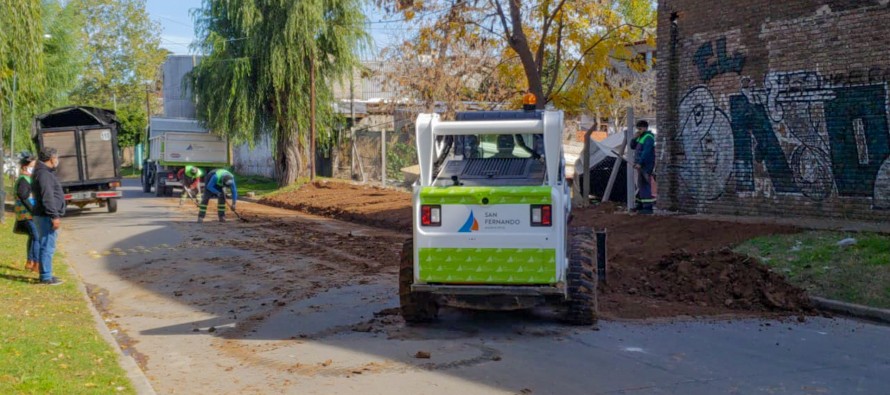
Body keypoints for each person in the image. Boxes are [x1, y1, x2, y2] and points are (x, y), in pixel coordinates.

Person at [31, 147, 65, 285]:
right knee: (47, 246)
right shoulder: (44, 174)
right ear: (51, 159)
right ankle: (45, 277)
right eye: (56, 157)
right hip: (46, 216)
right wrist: (54, 216)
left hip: (44, 214)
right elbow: (48, 197)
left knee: (47, 245)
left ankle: (47, 274)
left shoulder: (43, 172)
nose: (57, 160)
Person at [14, 153, 39, 273]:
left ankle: (30, 262)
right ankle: (36, 264)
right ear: (25, 167)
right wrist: (33, 210)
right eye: (33, 166)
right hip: (28, 214)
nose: (34, 169)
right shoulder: (24, 180)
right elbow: (23, 196)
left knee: (33, 237)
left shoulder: (26, 178)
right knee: (37, 238)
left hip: (26, 214)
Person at [630, 120, 656, 214]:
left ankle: (648, 207)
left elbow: (646, 152)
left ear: (645, 128)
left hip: (646, 165)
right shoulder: (640, 137)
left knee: (645, 184)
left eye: (640, 128)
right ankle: (640, 205)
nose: (638, 130)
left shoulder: (648, 137)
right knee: (641, 184)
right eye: (637, 128)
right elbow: (632, 147)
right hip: (640, 164)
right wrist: (633, 138)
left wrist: (640, 163)